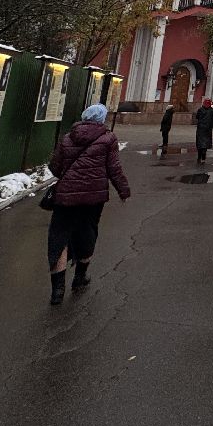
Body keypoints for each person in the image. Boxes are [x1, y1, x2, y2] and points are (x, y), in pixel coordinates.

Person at [46, 104, 130, 305]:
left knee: (59, 237)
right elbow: (114, 168)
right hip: (93, 197)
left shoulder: (68, 138)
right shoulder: (108, 138)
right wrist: (123, 190)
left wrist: (70, 176)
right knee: (87, 232)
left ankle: (57, 290)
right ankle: (80, 277)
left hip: (66, 196)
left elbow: (55, 167)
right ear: (102, 119)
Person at [194, 97, 213, 165]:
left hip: (200, 129)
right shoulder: (212, 110)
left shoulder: (200, 109)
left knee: (200, 143)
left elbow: (197, 117)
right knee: (205, 143)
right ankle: (203, 158)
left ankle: (199, 157)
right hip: (208, 129)